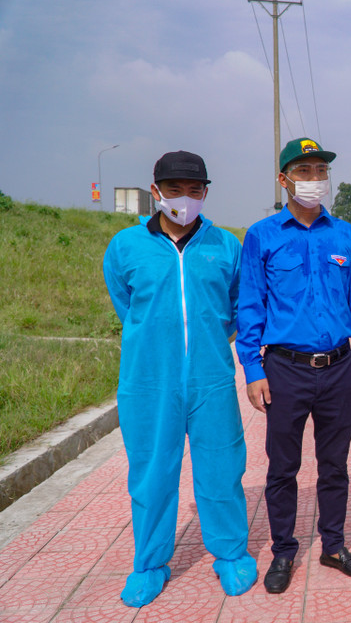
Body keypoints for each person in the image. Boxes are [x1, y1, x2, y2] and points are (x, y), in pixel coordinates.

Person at [103, 151, 257, 607]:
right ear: (156, 191)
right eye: (174, 190)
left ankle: (231, 554)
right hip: (149, 380)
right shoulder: (126, 246)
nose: (184, 199)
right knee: (151, 472)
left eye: (194, 190)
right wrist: (160, 339)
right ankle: (150, 564)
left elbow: (236, 307)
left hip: (211, 379)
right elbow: (126, 304)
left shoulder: (225, 245)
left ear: (205, 192)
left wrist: (206, 338)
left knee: (222, 468)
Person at [237, 137, 351, 593]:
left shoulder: (345, 235)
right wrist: (253, 369)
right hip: (285, 369)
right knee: (283, 467)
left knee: (334, 464)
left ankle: (333, 546)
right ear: (284, 179)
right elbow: (250, 305)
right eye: (304, 171)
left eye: (321, 171)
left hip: (339, 367)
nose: (315, 179)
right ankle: (283, 551)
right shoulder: (262, 235)